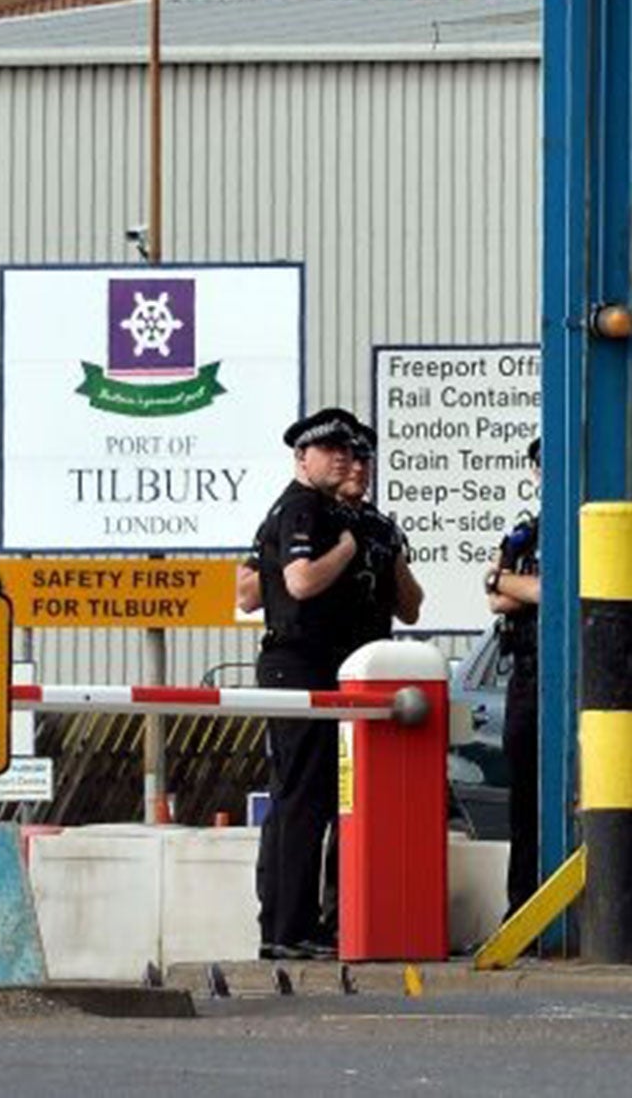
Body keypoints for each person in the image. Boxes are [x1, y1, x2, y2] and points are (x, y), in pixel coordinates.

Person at [251, 407, 368, 960]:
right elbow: (299, 581)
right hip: (299, 660)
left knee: (300, 796)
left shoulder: (291, 507)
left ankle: (285, 923)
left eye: (348, 451)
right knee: (303, 799)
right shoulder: (304, 508)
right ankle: (290, 927)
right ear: (302, 457)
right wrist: (345, 550)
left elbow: (247, 591)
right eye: (330, 450)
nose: (342, 458)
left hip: (301, 658)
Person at [483, 437, 543, 915]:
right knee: (524, 801)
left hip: (573, 677)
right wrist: (510, 585)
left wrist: (503, 581)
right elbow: (496, 598)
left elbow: (558, 589)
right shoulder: (525, 533)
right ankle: (522, 908)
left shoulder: (585, 526)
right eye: (542, 468)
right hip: (525, 673)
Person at [335, 421, 426, 649]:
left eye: (364, 460)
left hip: (370, 655)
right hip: (313, 656)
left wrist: (391, 551)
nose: (357, 468)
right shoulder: (302, 515)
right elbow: (246, 597)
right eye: (350, 459)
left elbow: (410, 611)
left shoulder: (382, 527)